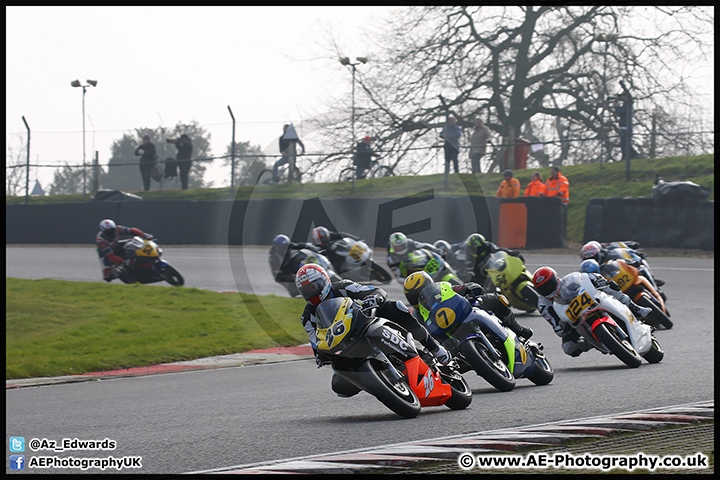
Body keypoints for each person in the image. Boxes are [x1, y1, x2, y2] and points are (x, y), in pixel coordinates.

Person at [296, 263, 452, 397]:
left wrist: (374, 298)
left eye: (314, 286)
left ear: (324, 280)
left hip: (365, 323)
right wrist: (320, 355)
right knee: (339, 387)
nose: (312, 293)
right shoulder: (307, 317)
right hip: (345, 347)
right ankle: (381, 383)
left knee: (394, 307)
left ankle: (434, 348)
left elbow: (374, 290)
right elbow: (315, 342)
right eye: (306, 291)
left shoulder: (343, 287)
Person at [532, 266, 652, 357]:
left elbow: (587, 278)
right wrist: (561, 326)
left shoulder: (569, 280)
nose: (548, 290)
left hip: (590, 302)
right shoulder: (543, 305)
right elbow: (556, 326)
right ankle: (593, 342)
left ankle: (635, 308)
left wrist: (600, 281)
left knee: (611, 288)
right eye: (543, 289)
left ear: (556, 279)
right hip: (571, 319)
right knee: (569, 348)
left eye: (549, 285)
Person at [403, 271, 534, 340]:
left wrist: (471, 288)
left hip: (466, 312)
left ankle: (517, 328)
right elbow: (422, 335)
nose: (421, 297)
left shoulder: (443, 288)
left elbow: (461, 288)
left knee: (496, 298)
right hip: (449, 338)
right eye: (415, 296)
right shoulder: (417, 316)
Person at [613, 80, 638, 161]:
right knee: (624, 143)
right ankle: (631, 156)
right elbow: (619, 113)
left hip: (627, 127)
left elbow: (622, 112)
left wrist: (622, 85)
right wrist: (616, 106)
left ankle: (629, 157)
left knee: (625, 143)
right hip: (624, 127)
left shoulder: (629, 104)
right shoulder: (625, 105)